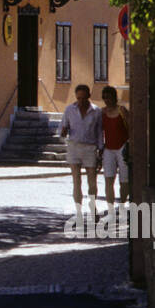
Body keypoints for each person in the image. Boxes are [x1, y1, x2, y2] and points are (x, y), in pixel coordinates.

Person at [60, 83, 103, 214]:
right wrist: (63, 131)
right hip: (74, 147)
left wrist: (100, 150)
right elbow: (62, 127)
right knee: (76, 181)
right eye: (79, 98)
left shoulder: (96, 111)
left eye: (84, 98)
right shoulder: (69, 110)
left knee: (92, 181)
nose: (81, 101)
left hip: (90, 148)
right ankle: (78, 210)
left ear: (89, 96)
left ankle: (93, 207)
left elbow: (100, 132)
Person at [100, 85, 130, 212]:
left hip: (122, 147)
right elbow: (99, 131)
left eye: (110, 97)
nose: (107, 100)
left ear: (114, 97)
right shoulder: (102, 113)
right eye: (105, 97)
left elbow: (130, 127)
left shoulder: (122, 110)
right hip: (109, 149)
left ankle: (122, 204)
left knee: (124, 180)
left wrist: (129, 144)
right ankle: (111, 208)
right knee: (108, 178)